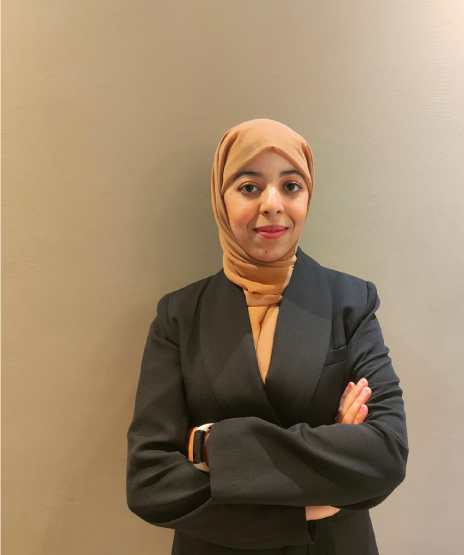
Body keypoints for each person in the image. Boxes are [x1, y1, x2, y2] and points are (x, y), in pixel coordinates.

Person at [126, 118, 409, 555]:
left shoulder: (351, 302)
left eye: (291, 186)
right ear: (221, 198)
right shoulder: (179, 316)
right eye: (249, 187)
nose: (273, 204)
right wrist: (312, 496)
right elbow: (150, 481)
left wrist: (212, 447)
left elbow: (386, 452)